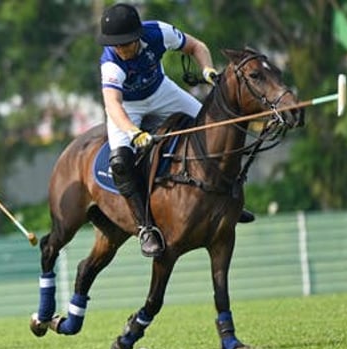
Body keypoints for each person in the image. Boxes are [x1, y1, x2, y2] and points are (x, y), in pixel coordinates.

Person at [97, 3, 252, 258]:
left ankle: (230, 201)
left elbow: (196, 47)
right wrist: (135, 132)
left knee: (216, 128)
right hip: (127, 106)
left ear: (137, 36)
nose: (120, 49)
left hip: (161, 92)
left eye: (125, 43)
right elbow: (113, 105)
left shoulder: (157, 32)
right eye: (116, 44)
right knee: (121, 163)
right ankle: (146, 228)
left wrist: (207, 69)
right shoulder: (111, 62)